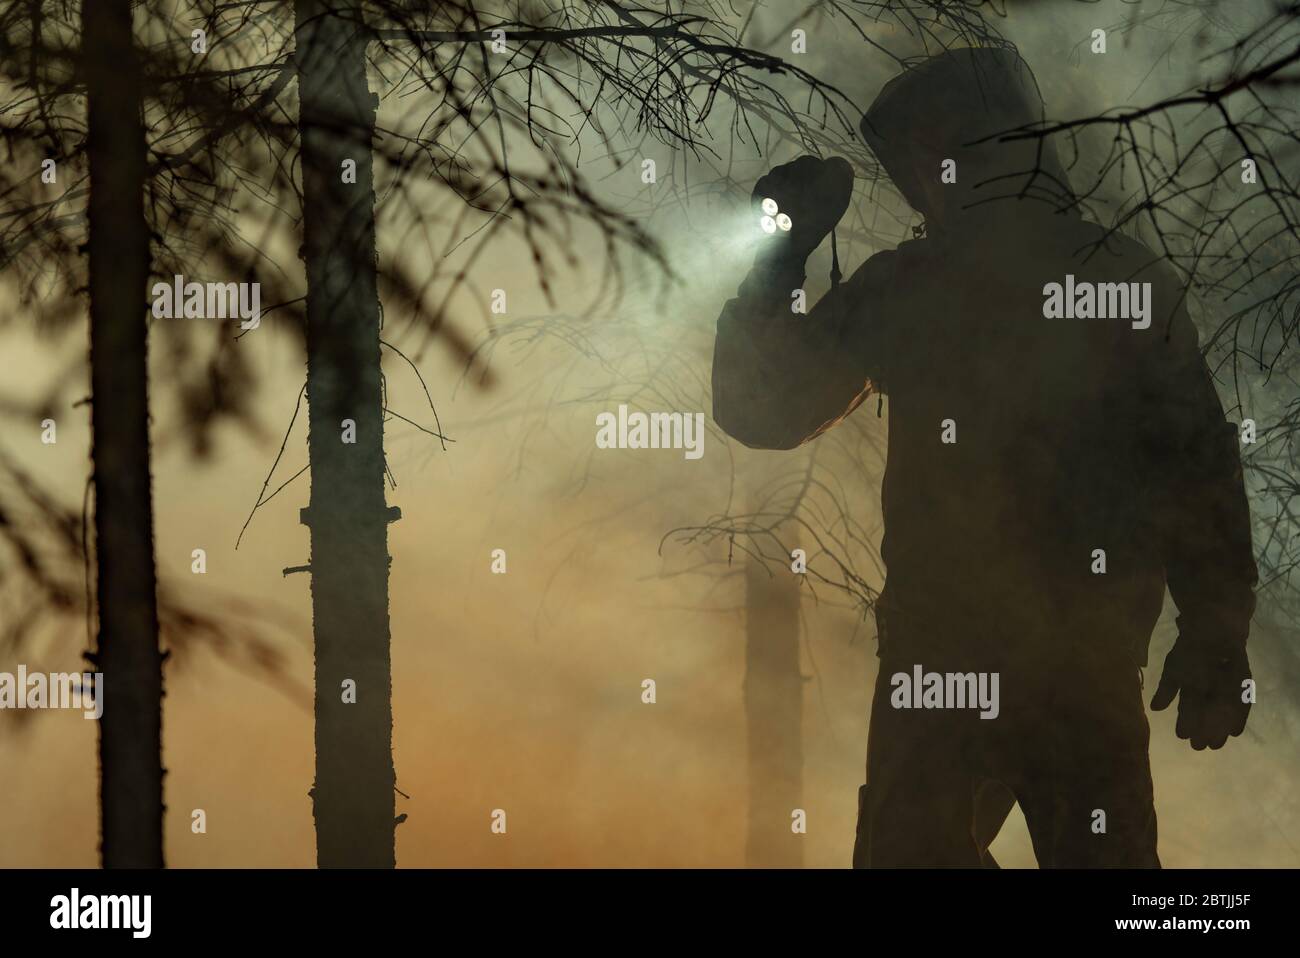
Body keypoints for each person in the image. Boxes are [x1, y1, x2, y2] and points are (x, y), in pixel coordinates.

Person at [711, 47, 1258, 867]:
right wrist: (1215, 625)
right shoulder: (1125, 275)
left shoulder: (915, 283)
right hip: (1082, 665)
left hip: (943, 667)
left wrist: (782, 251)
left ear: (939, 164)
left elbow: (763, 405)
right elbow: (1196, 466)